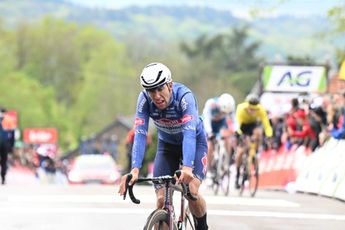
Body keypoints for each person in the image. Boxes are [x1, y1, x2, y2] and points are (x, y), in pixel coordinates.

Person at [118, 62, 209, 229]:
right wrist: (135, 169)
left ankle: (202, 227)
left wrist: (188, 167)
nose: (157, 95)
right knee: (161, 201)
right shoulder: (144, 100)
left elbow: (189, 134)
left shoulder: (184, 97)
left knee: (192, 191)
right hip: (167, 147)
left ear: (170, 85)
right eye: (151, 90)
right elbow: (140, 133)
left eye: (160, 89)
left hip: (194, 143)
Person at [234, 93, 273, 189]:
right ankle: (238, 174)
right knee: (240, 152)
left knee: (259, 133)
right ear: (247, 106)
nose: (252, 112)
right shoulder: (241, 108)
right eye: (250, 109)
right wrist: (239, 133)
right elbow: (237, 124)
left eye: (254, 110)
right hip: (242, 127)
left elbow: (267, 125)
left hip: (252, 125)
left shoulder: (260, 109)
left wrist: (269, 135)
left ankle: (253, 154)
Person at [202, 93, 235, 171]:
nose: (223, 114)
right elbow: (206, 119)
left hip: (221, 123)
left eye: (225, 113)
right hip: (210, 124)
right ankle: (209, 169)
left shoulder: (230, 106)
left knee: (226, 138)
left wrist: (236, 130)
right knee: (210, 146)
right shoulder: (211, 104)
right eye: (223, 112)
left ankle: (227, 161)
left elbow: (234, 119)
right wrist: (210, 132)